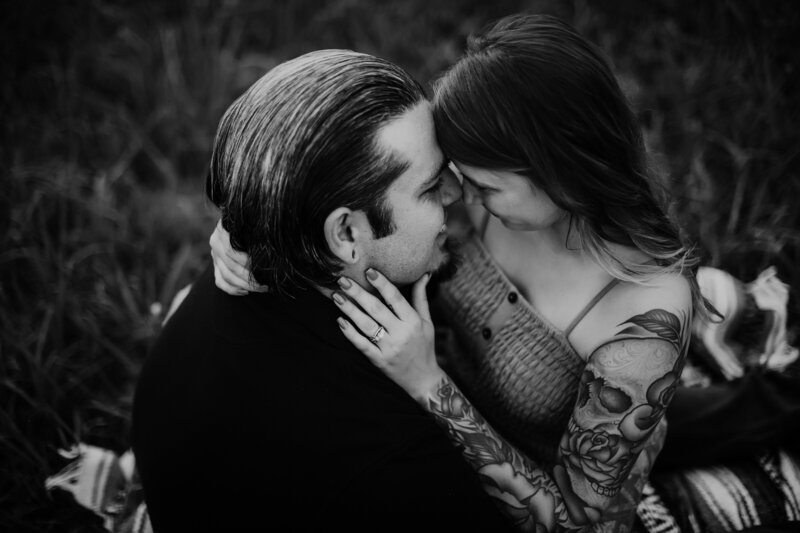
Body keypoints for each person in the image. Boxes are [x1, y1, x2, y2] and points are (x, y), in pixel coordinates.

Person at [210, 14, 706, 533]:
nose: (458, 197)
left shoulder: (643, 314)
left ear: (558, 171)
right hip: (462, 448)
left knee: (697, 424)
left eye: (484, 186)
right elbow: (353, 186)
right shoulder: (485, 193)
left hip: (531, 491)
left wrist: (428, 383)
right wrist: (248, 223)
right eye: (452, 178)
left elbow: (572, 523)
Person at [132, 49, 515, 532]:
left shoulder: (237, 271)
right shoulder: (397, 463)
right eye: (428, 188)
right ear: (346, 236)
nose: (456, 194)